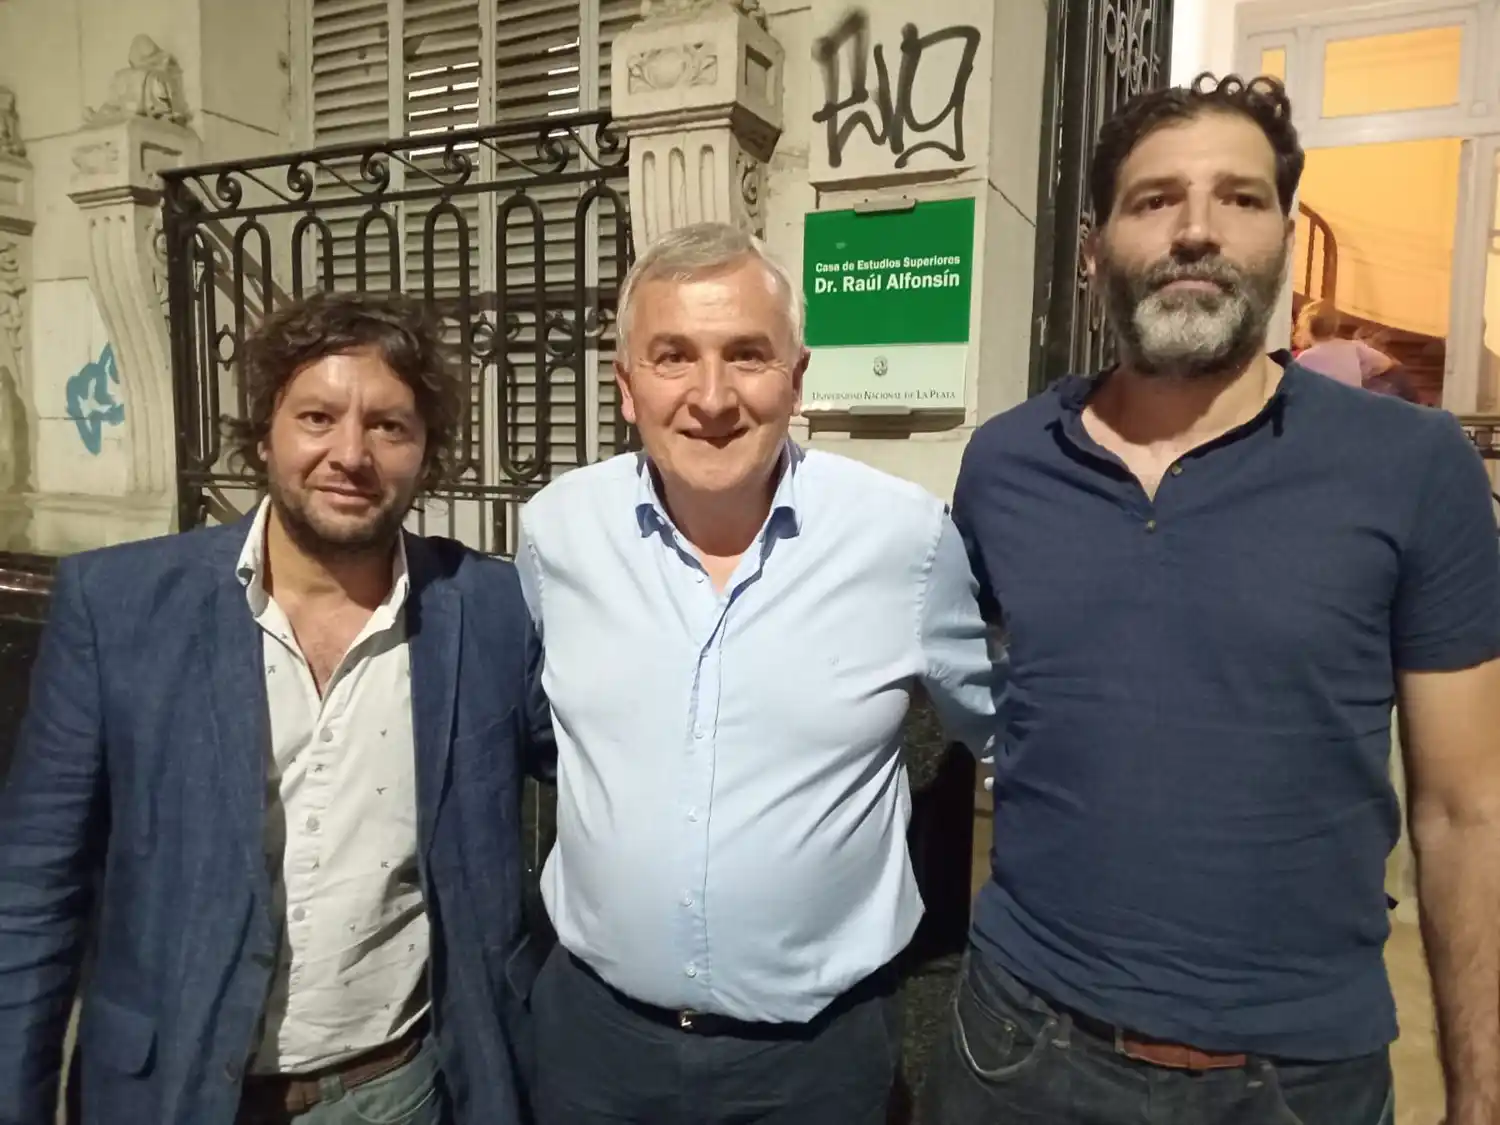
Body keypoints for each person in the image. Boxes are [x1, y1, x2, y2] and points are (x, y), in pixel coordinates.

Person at [923, 74, 1500, 1125]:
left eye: (1238, 197)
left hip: (1294, 1079)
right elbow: (989, 697)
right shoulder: (1005, 463)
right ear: (1094, 247)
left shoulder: (1412, 467)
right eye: (1156, 201)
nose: (1196, 230)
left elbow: (1467, 812)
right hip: (1017, 1051)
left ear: (1281, 230)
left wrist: (1478, 1096)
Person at [0, 291, 551, 1125]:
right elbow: (35, 890)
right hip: (171, 1090)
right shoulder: (117, 606)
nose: (351, 453)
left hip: (397, 1089)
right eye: (318, 417)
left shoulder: (490, 608)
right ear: (267, 433)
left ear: (427, 451)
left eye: (390, 426)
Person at [515, 221, 997, 1125]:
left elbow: (1008, 741)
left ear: (796, 378)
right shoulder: (557, 533)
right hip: (594, 1048)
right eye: (672, 356)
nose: (711, 396)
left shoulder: (905, 541)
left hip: (814, 1063)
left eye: (747, 355)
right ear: (625, 385)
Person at [1292, 298, 1397, 389]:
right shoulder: (1354, 347)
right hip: (1352, 405)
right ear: (1336, 325)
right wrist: (1361, 373)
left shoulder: (1305, 359)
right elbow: (1385, 363)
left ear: (1307, 328)